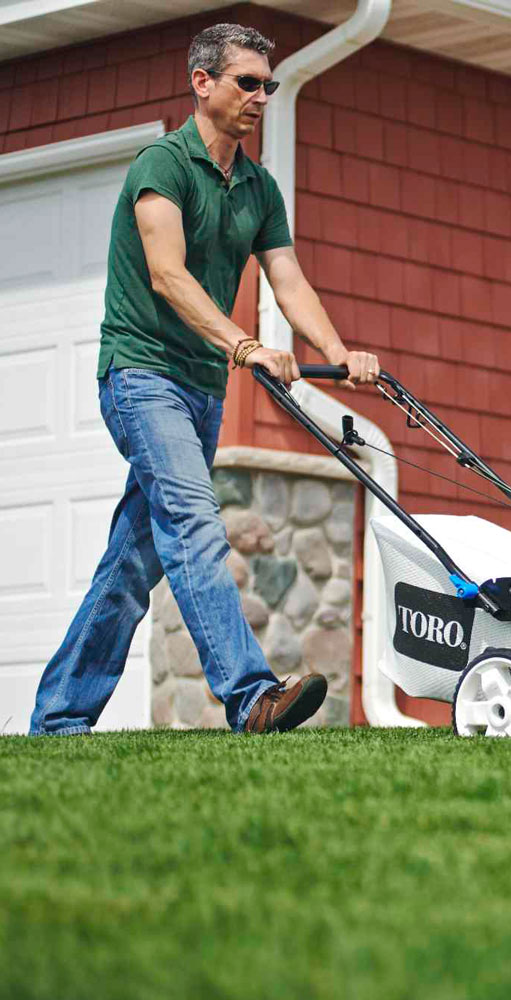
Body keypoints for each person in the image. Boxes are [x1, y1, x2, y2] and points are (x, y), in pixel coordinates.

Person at [29, 23, 378, 735]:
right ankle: (250, 696)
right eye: (246, 82)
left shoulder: (257, 187)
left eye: (267, 85)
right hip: (142, 376)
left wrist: (342, 352)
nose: (260, 97)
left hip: (200, 389)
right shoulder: (162, 166)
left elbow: (287, 277)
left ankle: (58, 718)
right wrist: (243, 344)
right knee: (193, 523)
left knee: (132, 563)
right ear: (203, 83)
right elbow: (167, 275)